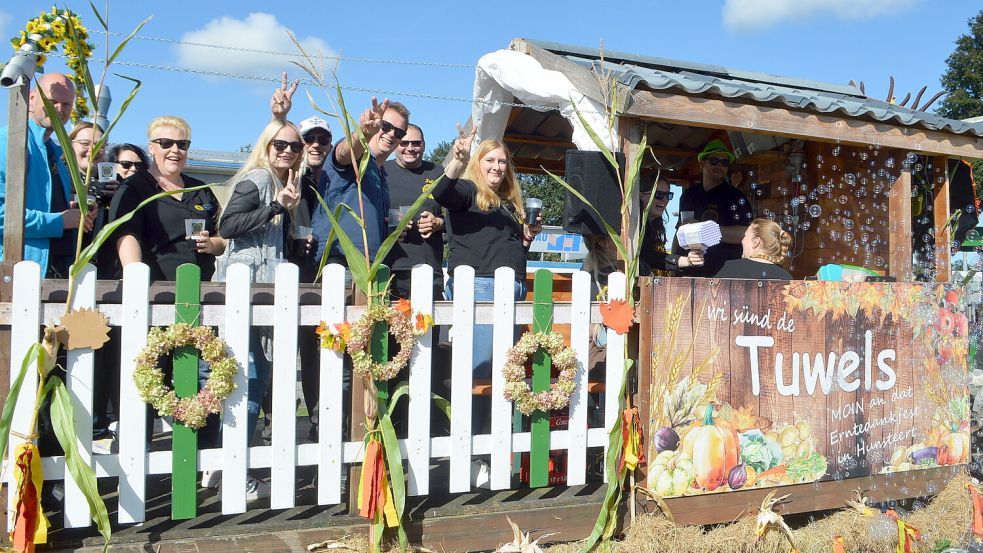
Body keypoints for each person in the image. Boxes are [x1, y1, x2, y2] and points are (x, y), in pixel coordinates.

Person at [210, 119, 302, 500]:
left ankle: (222, 468)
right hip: (246, 293)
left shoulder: (282, 185)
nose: (287, 151)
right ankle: (233, 472)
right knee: (249, 381)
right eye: (279, 144)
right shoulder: (261, 180)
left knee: (248, 380)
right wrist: (274, 208)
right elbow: (228, 225)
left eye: (294, 147)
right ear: (266, 145)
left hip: (260, 292)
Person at [437, 132, 542, 424]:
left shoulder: (506, 203)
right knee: (479, 370)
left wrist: (526, 239)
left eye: (502, 162)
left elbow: (503, 246)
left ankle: (488, 440)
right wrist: (457, 162)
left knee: (502, 369)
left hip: (512, 288)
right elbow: (442, 193)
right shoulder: (468, 191)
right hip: (481, 286)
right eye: (490, 160)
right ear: (478, 163)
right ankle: (471, 443)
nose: (497, 167)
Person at [0, 73, 95, 278]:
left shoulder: (57, 151)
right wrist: (58, 221)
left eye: (66, 104)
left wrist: (73, 213)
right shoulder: (6, 143)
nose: (59, 109)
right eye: (52, 101)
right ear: (32, 98)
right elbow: (2, 216)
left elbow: (45, 204)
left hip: (58, 270)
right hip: (18, 273)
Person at [110, 116, 225, 281]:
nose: (175, 150)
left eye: (182, 144)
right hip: (154, 290)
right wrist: (134, 277)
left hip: (200, 289)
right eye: (166, 143)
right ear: (151, 147)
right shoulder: (133, 187)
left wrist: (211, 244)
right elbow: (126, 235)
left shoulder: (201, 190)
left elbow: (222, 237)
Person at [311, 97, 407, 268]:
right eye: (385, 126)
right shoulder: (358, 157)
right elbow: (342, 153)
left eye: (399, 133)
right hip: (339, 259)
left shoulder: (381, 173)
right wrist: (364, 133)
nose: (392, 134)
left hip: (368, 264)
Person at [672, 139, 752, 277]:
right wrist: (674, 263)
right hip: (689, 272)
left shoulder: (735, 196)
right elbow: (678, 231)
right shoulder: (688, 195)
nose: (719, 166)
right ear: (702, 163)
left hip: (723, 274)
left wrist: (706, 231)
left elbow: (746, 233)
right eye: (714, 161)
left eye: (724, 162)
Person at [383, 123, 445, 300]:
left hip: (429, 267)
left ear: (424, 145)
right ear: (396, 144)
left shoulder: (437, 172)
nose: (410, 148)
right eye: (404, 143)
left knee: (426, 327)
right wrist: (387, 226)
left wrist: (439, 223)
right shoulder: (381, 172)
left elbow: (459, 215)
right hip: (390, 268)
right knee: (391, 328)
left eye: (416, 143)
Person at [639, 176, 704, 276]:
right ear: (642, 196)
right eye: (659, 195)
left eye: (668, 195)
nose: (665, 200)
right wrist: (685, 260)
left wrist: (688, 260)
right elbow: (645, 256)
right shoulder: (633, 226)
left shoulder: (653, 227)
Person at [715, 218, 793, 280]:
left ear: (756, 241)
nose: (742, 240)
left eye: (745, 236)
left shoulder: (732, 268)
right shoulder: (786, 277)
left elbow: (709, 295)